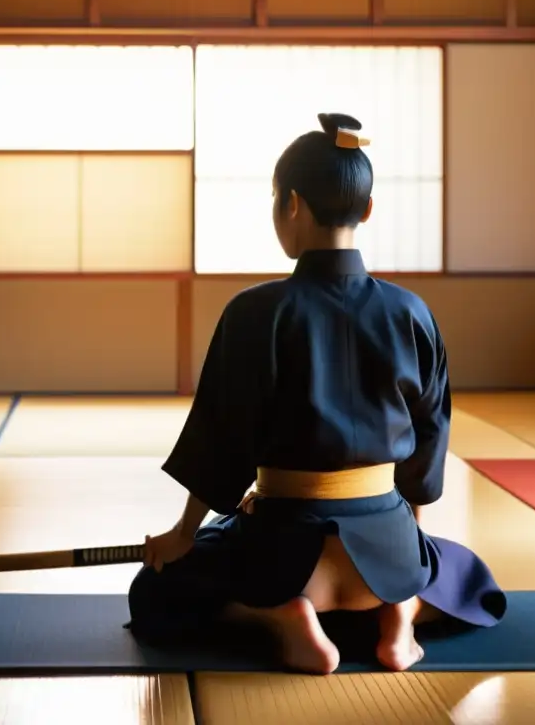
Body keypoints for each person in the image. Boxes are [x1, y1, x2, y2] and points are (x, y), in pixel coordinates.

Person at [126, 113, 506, 674]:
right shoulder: (411, 312)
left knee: (155, 591)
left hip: (282, 554)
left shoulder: (255, 313)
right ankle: (400, 612)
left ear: (293, 205)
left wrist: (183, 534)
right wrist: (411, 547)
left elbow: (221, 440)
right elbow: (430, 438)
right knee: (468, 577)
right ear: (367, 210)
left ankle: (281, 617)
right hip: (387, 552)